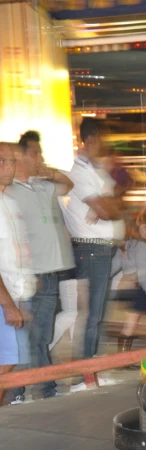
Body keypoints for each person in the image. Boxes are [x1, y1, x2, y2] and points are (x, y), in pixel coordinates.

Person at [8, 130, 74, 399]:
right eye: (35, 152)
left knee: (41, 336)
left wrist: (49, 171)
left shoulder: (41, 185)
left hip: (49, 272)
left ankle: (34, 389)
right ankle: (25, 390)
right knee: (27, 338)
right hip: (28, 275)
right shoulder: (9, 190)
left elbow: (68, 184)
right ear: (21, 156)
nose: (40, 157)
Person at [60, 117, 124, 390]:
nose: (106, 147)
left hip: (100, 249)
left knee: (95, 313)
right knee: (91, 314)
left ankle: (91, 371)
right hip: (91, 249)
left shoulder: (95, 169)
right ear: (93, 139)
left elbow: (112, 203)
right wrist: (107, 205)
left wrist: (108, 203)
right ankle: (85, 374)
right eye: (104, 141)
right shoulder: (79, 172)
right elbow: (109, 210)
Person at [0, 142, 33, 405]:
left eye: (11, 161)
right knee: (6, 363)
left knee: (8, 361)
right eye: (3, 161)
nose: (9, 167)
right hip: (3, 297)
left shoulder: (8, 201)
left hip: (12, 290)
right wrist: (9, 305)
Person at [112, 214, 146, 350]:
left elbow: (112, 268)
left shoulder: (124, 246)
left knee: (132, 325)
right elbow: (143, 273)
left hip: (126, 289)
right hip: (139, 289)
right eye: (145, 226)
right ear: (136, 228)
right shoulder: (141, 246)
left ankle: (122, 360)